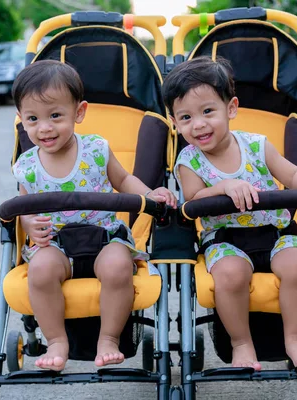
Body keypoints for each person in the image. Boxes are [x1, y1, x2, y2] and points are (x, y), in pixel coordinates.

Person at [164, 56, 297, 370]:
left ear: (231, 108)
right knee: (230, 274)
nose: (197, 124)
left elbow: (294, 176)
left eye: (207, 111)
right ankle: (241, 344)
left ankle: (295, 340)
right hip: (226, 240)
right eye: (185, 117)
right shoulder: (189, 161)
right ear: (174, 122)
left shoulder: (257, 146)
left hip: (276, 233)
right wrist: (223, 186)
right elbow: (192, 199)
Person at [11, 60, 177, 372]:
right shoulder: (27, 165)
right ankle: (57, 340)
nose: (44, 127)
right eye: (33, 119)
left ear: (79, 112)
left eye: (55, 116)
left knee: (117, 266)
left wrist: (149, 193)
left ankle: (109, 339)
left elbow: (124, 182)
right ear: (22, 120)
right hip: (57, 244)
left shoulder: (96, 150)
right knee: (42, 270)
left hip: (104, 236)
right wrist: (30, 223)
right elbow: (24, 207)